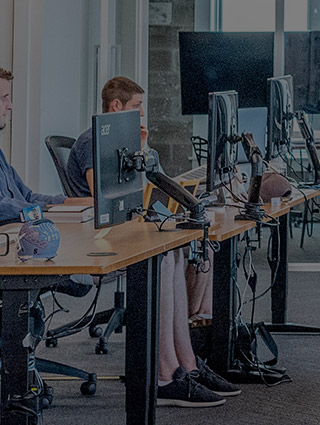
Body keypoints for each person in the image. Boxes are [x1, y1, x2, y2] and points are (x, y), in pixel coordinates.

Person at [67, 76, 241, 407]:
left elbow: (146, 189)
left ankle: (188, 359)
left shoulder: (128, 140)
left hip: (127, 228)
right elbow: (103, 195)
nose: (142, 113)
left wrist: (144, 151)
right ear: (116, 106)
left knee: (196, 245)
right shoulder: (94, 141)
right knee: (164, 256)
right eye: (137, 106)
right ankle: (167, 371)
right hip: (102, 240)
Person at [0, 61, 92, 296]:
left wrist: (75, 203)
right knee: (80, 273)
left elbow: (27, 196)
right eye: (4, 98)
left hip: (14, 235)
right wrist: (47, 211)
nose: (9, 106)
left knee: (83, 259)